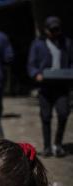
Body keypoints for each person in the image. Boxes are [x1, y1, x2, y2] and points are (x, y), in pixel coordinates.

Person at [28, 16, 73, 158]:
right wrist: (36, 74)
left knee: (63, 113)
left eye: (57, 30)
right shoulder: (38, 44)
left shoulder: (67, 43)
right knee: (45, 117)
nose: (54, 33)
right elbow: (31, 64)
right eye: (52, 30)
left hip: (62, 86)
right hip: (45, 87)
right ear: (45, 30)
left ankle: (58, 144)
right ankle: (47, 147)